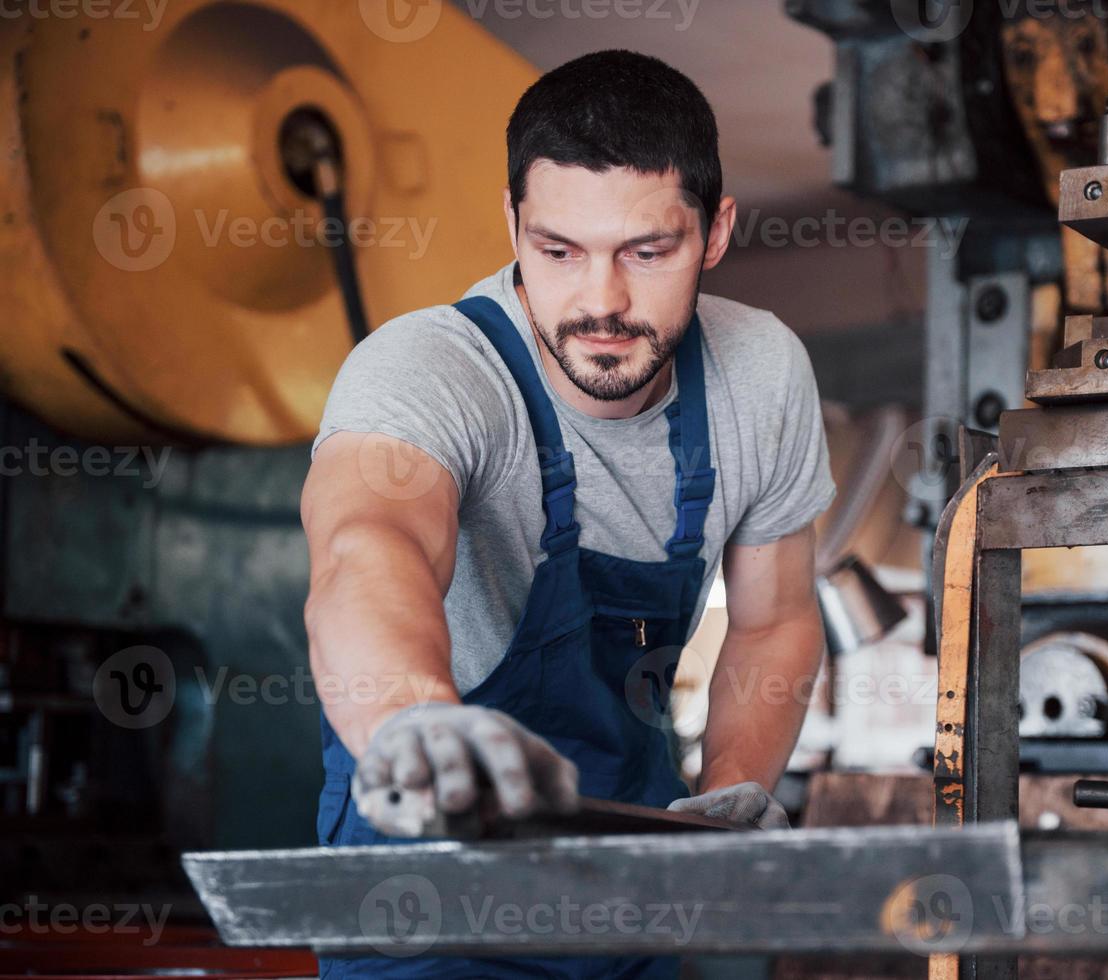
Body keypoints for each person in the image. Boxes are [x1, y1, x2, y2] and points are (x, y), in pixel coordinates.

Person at [300, 48, 836, 978]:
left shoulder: (762, 373)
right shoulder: (425, 371)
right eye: (557, 252)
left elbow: (775, 618)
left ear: (713, 233)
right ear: (512, 225)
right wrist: (411, 725)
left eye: (646, 252)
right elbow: (366, 550)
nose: (602, 302)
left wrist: (734, 785)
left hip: (625, 876)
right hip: (425, 891)